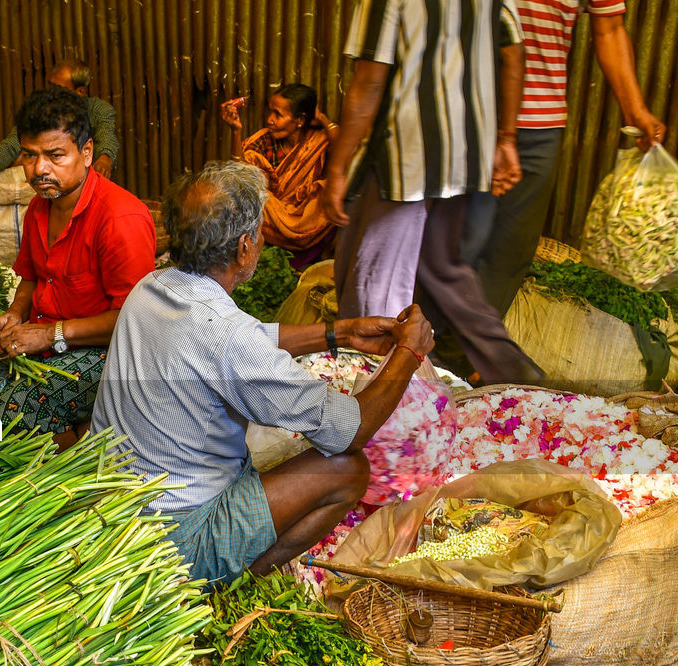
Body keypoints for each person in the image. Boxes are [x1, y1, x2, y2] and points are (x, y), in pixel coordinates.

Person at [91, 161, 435, 584]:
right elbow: (351, 430)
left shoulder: (151, 287)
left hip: (114, 510)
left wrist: (339, 333)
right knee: (347, 468)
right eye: (259, 233)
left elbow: (237, 342)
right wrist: (409, 352)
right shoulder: (226, 334)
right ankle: (229, 581)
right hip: (172, 543)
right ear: (243, 247)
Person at [321, 0, 544, 386]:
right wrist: (505, 138)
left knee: (374, 279)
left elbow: (370, 80)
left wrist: (337, 167)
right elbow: (514, 54)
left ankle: (372, 387)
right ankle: (515, 372)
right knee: (445, 271)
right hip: (465, 156)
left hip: (407, 155)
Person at [0, 85, 155, 446]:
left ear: (87, 153)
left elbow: (135, 321)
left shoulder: (119, 217)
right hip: (50, 342)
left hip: (110, 356)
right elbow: (33, 278)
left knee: (19, 406)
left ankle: (78, 465)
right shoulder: (41, 206)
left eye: (55, 155)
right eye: (29, 155)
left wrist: (52, 333)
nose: (39, 169)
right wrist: (16, 314)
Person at [464, 0, 667, 317]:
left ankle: (455, 358)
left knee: (509, 251)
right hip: (464, 113)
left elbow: (610, 28)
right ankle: (410, 345)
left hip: (541, 124)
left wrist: (635, 109)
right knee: (453, 244)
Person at [0, 58, 119, 190]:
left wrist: (105, 158)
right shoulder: (45, 110)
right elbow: (13, 142)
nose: (52, 93)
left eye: (59, 88)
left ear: (80, 91)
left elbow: (106, 135)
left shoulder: (99, 110)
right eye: (50, 86)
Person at [219, 83, 337, 257]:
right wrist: (236, 131)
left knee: (328, 193)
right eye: (270, 111)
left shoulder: (317, 141)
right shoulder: (264, 140)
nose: (270, 119)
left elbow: (346, 149)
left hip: (304, 223)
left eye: (278, 114)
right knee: (243, 196)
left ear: (300, 120)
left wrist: (322, 119)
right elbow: (239, 174)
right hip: (269, 223)